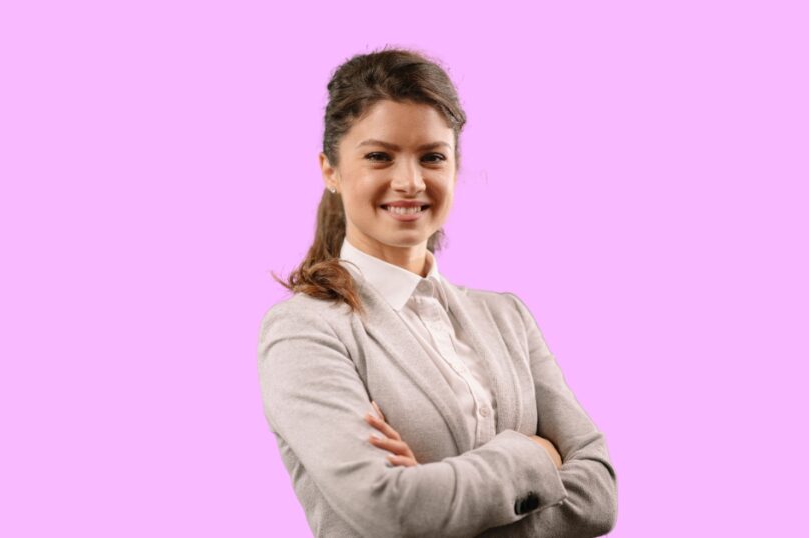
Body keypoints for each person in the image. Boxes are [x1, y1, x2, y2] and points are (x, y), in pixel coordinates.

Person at [257, 46, 618, 537]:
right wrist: (535, 455)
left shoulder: (507, 316)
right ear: (330, 170)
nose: (410, 182)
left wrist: (439, 497)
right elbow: (390, 510)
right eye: (379, 157)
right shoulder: (305, 331)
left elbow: (600, 494)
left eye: (432, 157)